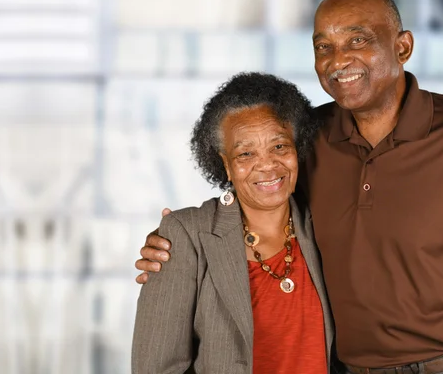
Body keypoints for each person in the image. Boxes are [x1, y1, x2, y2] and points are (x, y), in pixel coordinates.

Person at [137, 0, 443, 373]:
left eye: (358, 40)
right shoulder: (308, 139)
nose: (338, 60)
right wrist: (176, 245)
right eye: (324, 46)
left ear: (403, 46)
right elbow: (254, 191)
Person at [132, 72, 336, 374]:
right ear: (225, 164)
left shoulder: (323, 223)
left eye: (279, 146)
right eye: (246, 153)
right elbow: (156, 367)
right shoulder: (187, 235)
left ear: (297, 148)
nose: (267, 164)